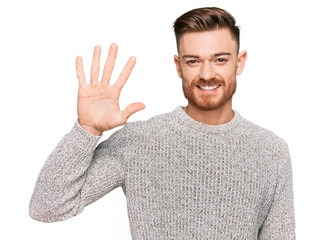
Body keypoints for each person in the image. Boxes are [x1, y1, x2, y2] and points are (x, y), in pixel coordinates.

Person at [29, 7, 296, 239]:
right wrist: (87, 130)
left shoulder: (271, 150)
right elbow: (47, 206)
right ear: (179, 67)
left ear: (240, 62)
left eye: (220, 60)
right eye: (193, 61)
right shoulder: (139, 140)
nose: (206, 74)